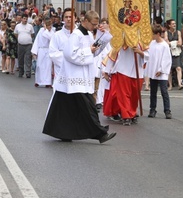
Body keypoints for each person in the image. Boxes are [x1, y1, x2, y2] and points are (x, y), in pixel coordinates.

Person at [43, 8, 115, 144]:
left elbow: (94, 52)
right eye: (93, 24)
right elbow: (69, 54)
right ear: (86, 21)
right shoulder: (76, 35)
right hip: (74, 77)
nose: (94, 27)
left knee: (67, 107)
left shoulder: (87, 34)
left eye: (96, 24)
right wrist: (89, 50)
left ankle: (63, 132)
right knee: (88, 107)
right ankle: (100, 133)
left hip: (82, 76)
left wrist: (102, 36)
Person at [103, 30, 145, 126]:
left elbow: (149, 55)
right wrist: (107, 70)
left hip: (138, 71)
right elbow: (113, 54)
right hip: (123, 70)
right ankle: (126, 116)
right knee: (124, 95)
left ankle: (132, 113)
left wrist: (139, 52)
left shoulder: (143, 39)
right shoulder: (121, 38)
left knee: (135, 95)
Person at [146, 25, 172, 119]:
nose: (151, 36)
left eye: (153, 34)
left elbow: (166, 59)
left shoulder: (164, 45)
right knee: (153, 92)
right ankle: (152, 109)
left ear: (158, 34)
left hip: (161, 72)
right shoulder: (152, 43)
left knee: (164, 91)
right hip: (153, 71)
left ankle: (167, 110)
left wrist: (161, 70)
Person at [32, 18, 54, 87]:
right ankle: (38, 81)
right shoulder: (41, 30)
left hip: (48, 50)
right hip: (41, 50)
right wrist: (34, 51)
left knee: (48, 66)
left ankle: (48, 82)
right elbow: (37, 40)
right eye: (48, 26)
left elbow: (51, 38)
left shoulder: (52, 31)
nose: (50, 27)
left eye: (50, 26)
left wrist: (47, 31)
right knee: (39, 66)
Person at [165, 19, 182, 90]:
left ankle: (180, 84)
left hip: (176, 53)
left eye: (175, 24)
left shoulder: (178, 32)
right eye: (172, 24)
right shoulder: (166, 33)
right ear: (169, 25)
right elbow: (166, 43)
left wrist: (171, 43)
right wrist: (175, 42)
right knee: (169, 70)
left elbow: (180, 43)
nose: (174, 25)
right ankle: (170, 85)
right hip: (169, 53)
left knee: (178, 68)